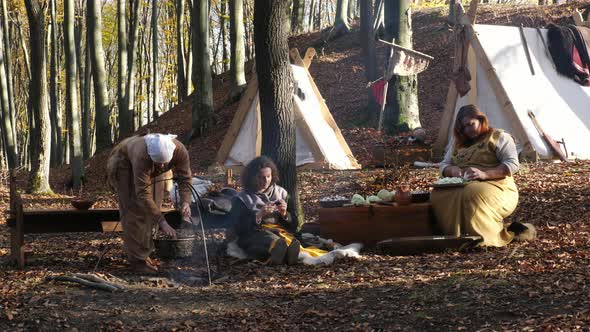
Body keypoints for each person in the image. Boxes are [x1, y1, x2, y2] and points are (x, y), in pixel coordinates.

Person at [431, 104, 535, 247]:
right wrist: (452, 170)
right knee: (438, 194)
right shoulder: (457, 143)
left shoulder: (499, 137)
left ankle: (484, 238)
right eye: (463, 128)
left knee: (472, 193)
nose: (468, 130)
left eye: (471, 124)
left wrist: (485, 174)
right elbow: (443, 165)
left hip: (498, 186)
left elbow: (512, 164)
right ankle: (452, 237)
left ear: (480, 119)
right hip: (464, 185)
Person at [107, 133, 192, 273]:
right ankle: (137, 261)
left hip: (150, 169)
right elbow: (143, 194)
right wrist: (163, 222)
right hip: (125, 164)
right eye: (159, 163)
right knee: (135, 211)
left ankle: (145, 253)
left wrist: (186, 202)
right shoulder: (141, 155)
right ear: (151, 156)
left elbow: (185, 178)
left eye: (165, 163)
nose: (163, 165)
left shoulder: (180, 150)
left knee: (154, 206)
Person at [228, 156, 301, 265]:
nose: (265, 181)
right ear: (251, 177)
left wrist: (285, 214)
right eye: (260, 177)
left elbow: (294, 224)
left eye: (268, 176)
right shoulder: (242, 198)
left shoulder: (281, 193)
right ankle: (282, 253)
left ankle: (285, 254)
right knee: (269, 240)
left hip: (280, 232)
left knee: (283, 239)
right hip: (253, 234)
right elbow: (238, 228)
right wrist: (259, 215)